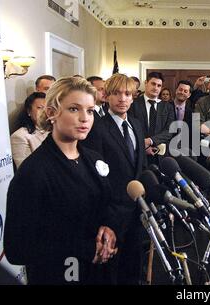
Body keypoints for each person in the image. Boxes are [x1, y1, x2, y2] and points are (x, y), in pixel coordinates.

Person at [4, 77, 118, 284]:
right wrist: (85, 248)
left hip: (99, 274)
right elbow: (17, 249)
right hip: (58, 276)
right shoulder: (34, 172)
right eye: (74, 109)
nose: (85, 118)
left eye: (90, 111)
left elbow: (104, 204)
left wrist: (109, 227)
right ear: (51, 113)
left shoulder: (93, 159)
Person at [82, 74, 147, 284]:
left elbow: (141, 166)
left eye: (127, 94)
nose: (122, 98)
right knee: (112, 274)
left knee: (134, 268)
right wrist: (107, 217)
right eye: (117, 93)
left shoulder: (136, 125)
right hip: (112, 216)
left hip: (137, 211)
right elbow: (95, 178)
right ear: (107, 96)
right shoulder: (97, 127)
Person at [129, 72, 175, 159]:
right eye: (153, 84)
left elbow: (170, 130)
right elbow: (131, 129)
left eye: (159, 85)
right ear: (146, 83)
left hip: (161, 154)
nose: (156, 88)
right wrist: (144, 145)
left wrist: (150, 141)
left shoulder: (168, 107)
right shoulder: (133, 104)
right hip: (139, 152)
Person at [11, 92, 49, 169]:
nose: (44, 111)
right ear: (29, 111)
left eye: (47, 108)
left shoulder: (56, 130)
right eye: (40, 108)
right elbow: (25, 171)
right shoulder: (19, 136)